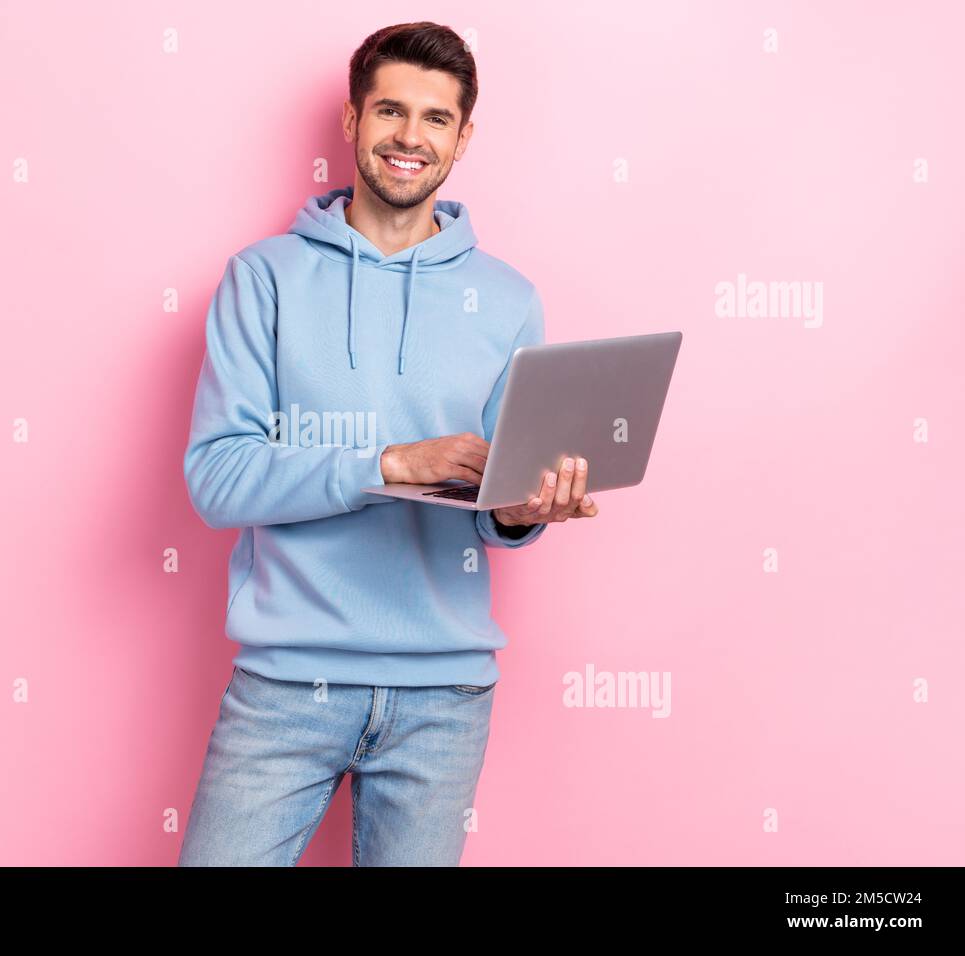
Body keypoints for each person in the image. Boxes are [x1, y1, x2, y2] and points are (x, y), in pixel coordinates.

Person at [178, 21, 599, 867]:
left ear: (463, 136)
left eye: (436, 119)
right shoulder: (263, 278)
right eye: (391, 111)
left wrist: (522, 513)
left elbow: (492, 510)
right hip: (287, 684)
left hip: (445, 696)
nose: (410, 138)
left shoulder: (509, 299)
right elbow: (217, 479)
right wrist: (386, 466)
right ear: (351, 119)